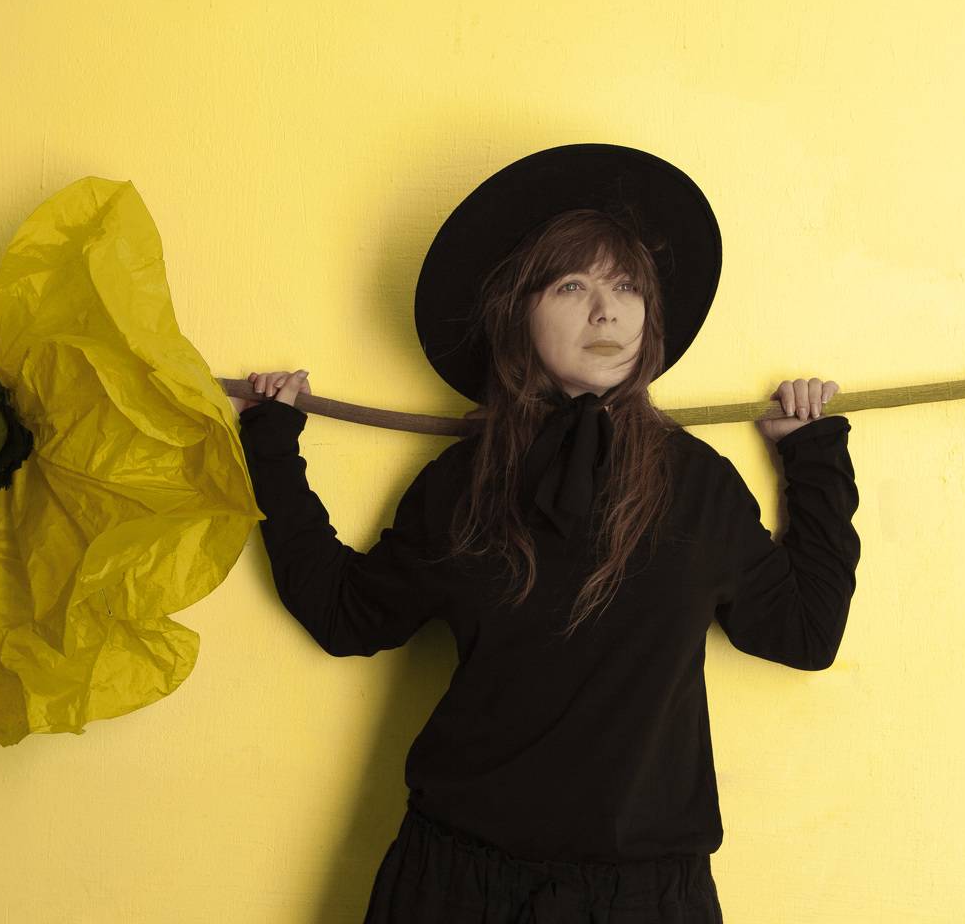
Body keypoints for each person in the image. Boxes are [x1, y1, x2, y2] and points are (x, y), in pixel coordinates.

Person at [229, 143, 860, 923]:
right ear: (516, 312)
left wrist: (813, 458)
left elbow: (804, 633)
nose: (607, 310)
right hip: (457, 889)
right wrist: (271, 447)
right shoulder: (463, 483)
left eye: (627, 286)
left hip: (643, 900)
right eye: (571, 285)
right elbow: (345, 616)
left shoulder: (697, 484)